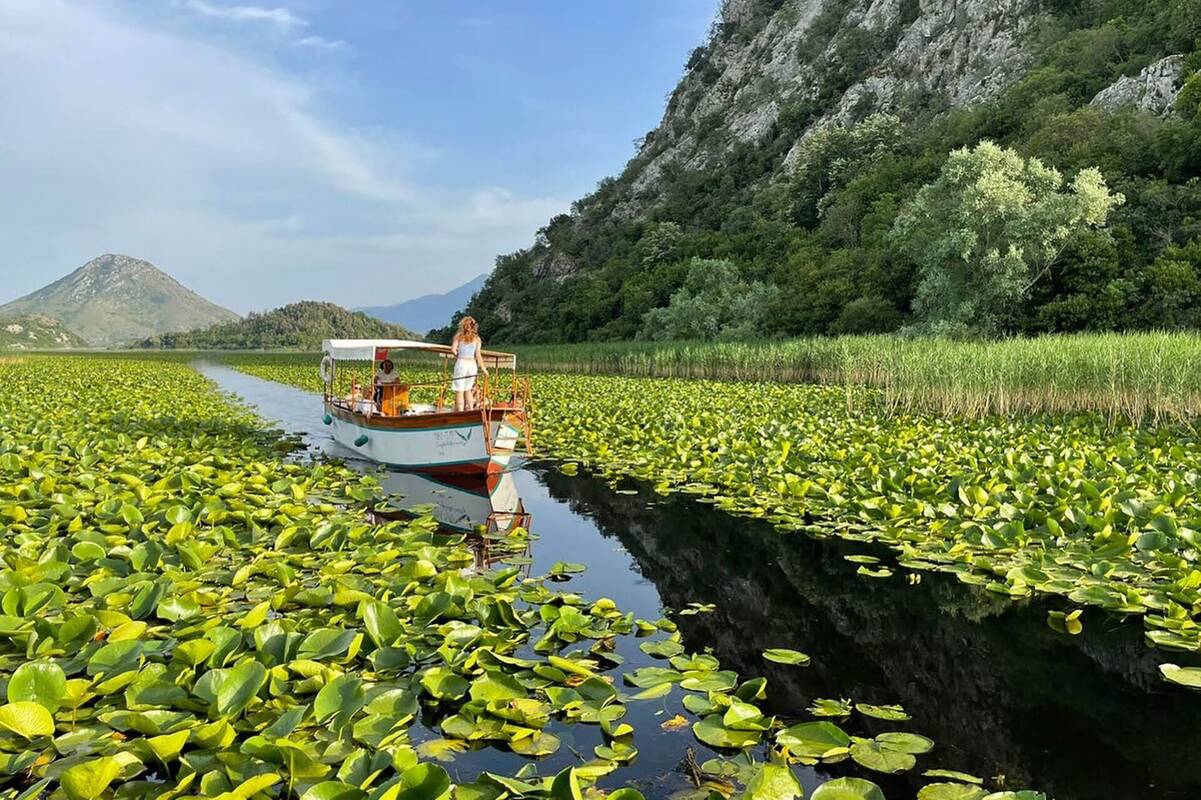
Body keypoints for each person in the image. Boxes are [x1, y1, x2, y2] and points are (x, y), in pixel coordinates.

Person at [451, 316, 488, 412]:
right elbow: (478, 355)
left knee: (459, 390)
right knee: (468, 389)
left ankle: (460, 411)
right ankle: (471, 409)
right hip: (472, 364)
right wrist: (483, 368)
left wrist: (457, 355)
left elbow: (453, 350)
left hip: (462, 362)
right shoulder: (477, 339)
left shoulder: (458, 337)